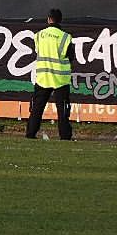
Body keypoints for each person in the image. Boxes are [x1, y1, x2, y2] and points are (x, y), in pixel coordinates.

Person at [25, 8, 74, 141]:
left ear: (48, 19)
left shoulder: (39, 35)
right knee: (62, 110)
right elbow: (71, 57)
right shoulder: (66, 37)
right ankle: (65, 136)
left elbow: (37, 51)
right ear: (60, 20)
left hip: (43, 77)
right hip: (60, 79)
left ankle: (30, 133)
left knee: (37, 108)